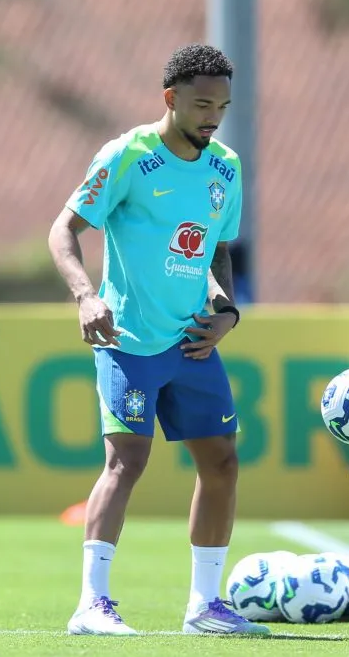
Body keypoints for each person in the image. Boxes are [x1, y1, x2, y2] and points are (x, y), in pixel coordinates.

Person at [48, 44, 269, 636]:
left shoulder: (226, 166)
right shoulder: (128, 156)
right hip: (129, 337)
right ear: (170, 98)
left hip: (193, 342)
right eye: (201, 104)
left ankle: (204, 606)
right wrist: (85, 296)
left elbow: (219, 251)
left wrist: (227, 310)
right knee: (127, 461)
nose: (212, 117)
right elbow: (64, 230)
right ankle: (91, 605)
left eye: (221, 105)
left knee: (222, 461)